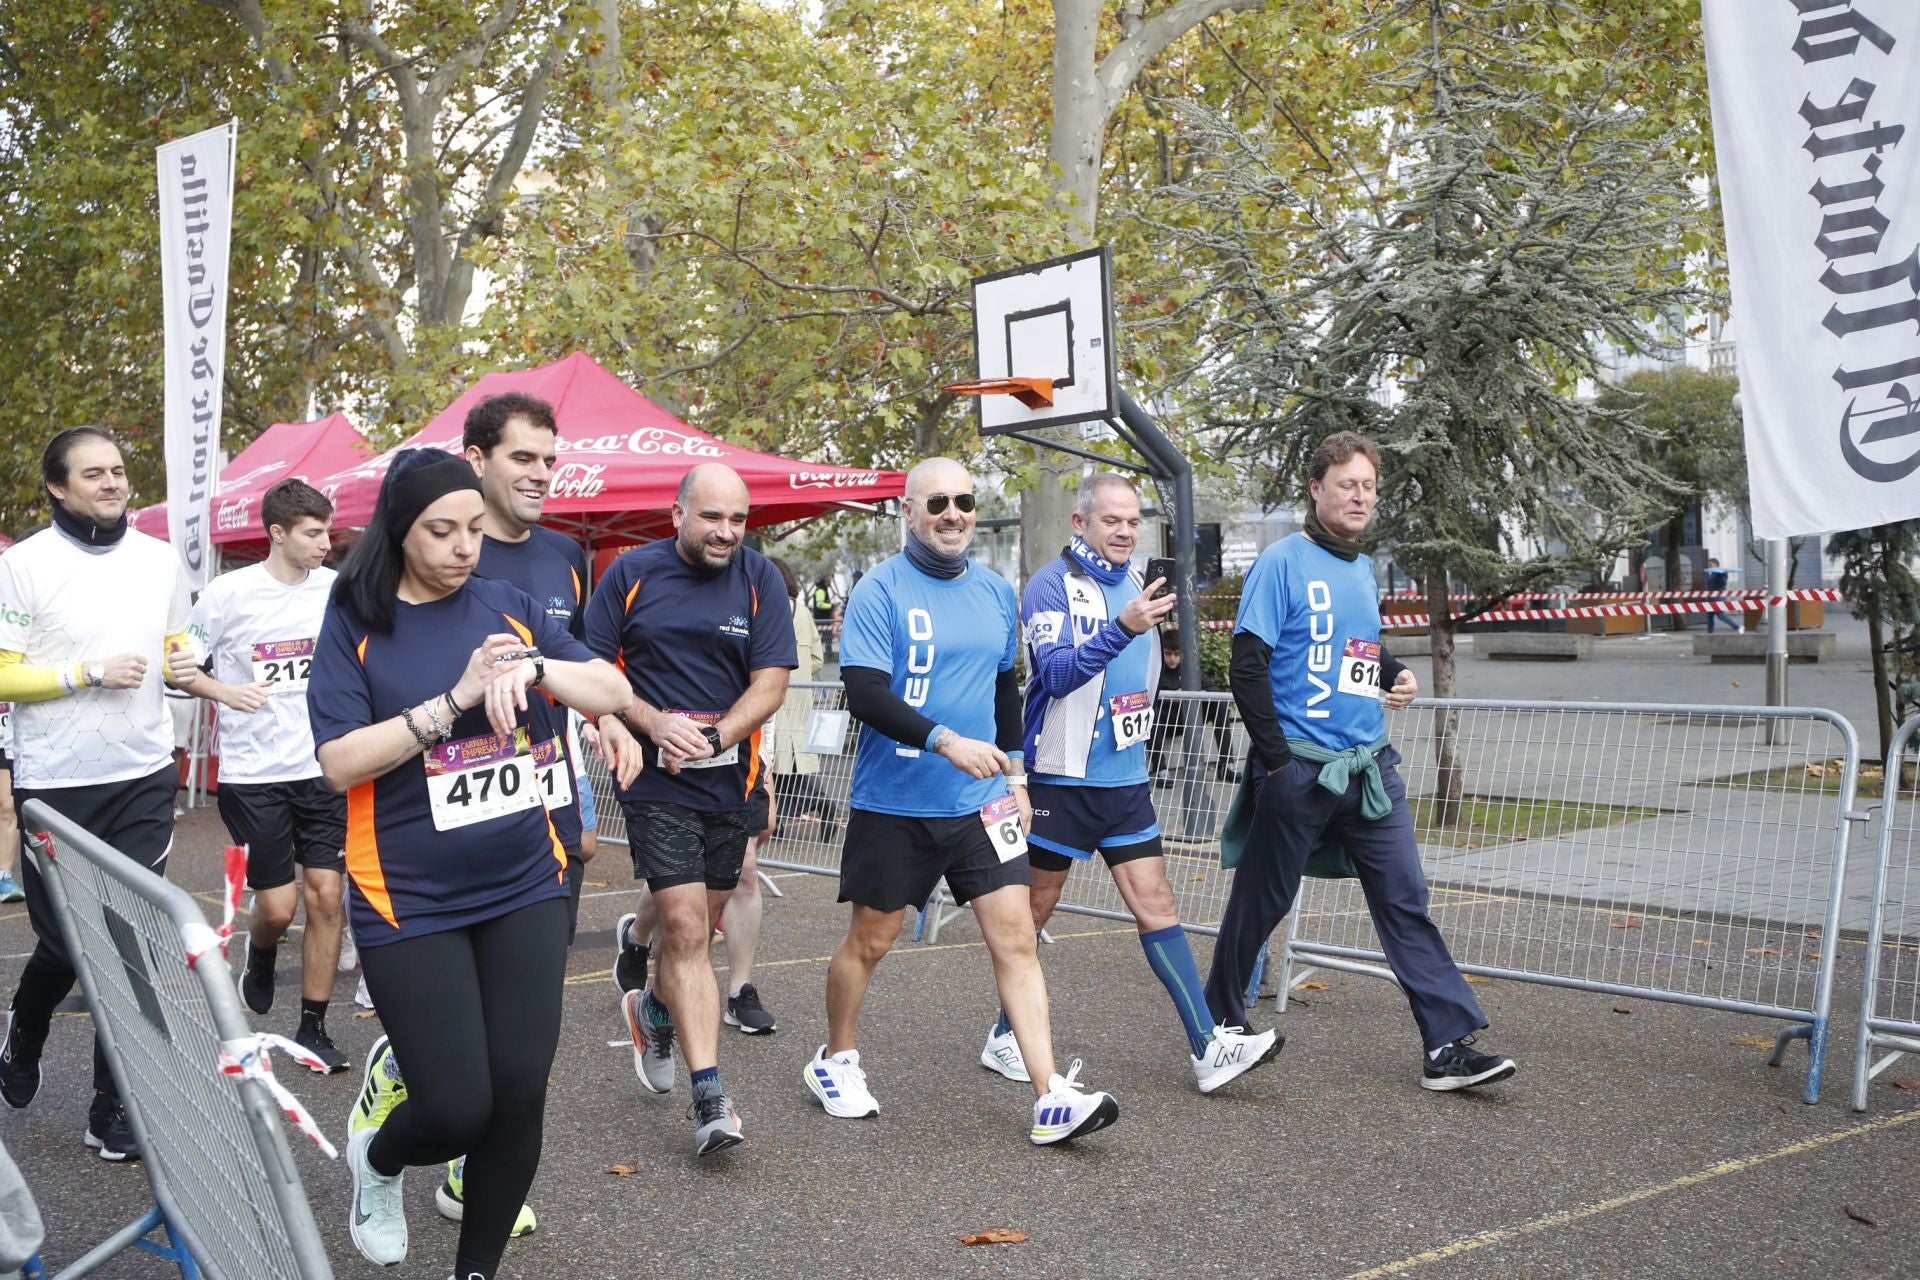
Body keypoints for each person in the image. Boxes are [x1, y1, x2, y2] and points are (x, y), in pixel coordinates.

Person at [309, 448, 628, 1276]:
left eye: (474, 530)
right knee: (455, 1109)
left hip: (524, 877)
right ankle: (378, 1161)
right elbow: (340, 762)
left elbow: (609, 691)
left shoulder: (507, 604)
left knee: (519, 1092)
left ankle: (475, 1270)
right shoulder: (355, 618)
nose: (463, 548)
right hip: (407, 892)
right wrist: (451, 702)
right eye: (440, 532)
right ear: (398, 532)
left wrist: (534, 666)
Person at [803, 457, 1119, 1146]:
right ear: (908, 512)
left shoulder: (994, 591)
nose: (953, 514)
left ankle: (1050, 1097)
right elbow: (863, 692)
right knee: (872, 940)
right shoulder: (880, 590)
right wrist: (945, 741)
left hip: (982, 804)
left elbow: (1006, 690)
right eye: (938, 502)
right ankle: (835, 1058)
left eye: (965, 501)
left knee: (1016, 939)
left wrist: (1016, 776)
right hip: (896, 801)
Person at [1206, 431, 1516, 1092]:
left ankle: (1447, 1046)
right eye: (1347, 484)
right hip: (1300, 770)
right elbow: (1247, 664)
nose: (1360, 496)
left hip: (1369, 767)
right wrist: (1276, 764)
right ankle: (1219, 1028)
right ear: (1315, 489)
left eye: (1368, 486)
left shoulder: (1360, 568)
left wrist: (1395, 672)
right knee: (1260, 906)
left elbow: (1356, 653)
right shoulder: (1282, 562)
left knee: (1406, 899)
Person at [993, 472, 1279, 1095]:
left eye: (1131, 522)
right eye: (1110, 520)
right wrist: (1122, 626)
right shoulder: (1049, 588)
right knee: (1033, 913)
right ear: (1081, 523)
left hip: (1125, 780)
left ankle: (1208, 1049)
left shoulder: (1135, 583)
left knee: (1157, 905)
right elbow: (1058, 674)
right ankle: (1003, 1034)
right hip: (1060, 781)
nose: (1123, 531)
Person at [586, 463, 795, 1156]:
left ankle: (653, 1009)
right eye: (712, 517)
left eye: (737, 519)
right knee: (680, 924)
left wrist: (715, 737)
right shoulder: (630, 574)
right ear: (677, 513)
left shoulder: (760, 579)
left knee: (697, 931)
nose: (727, 532)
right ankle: (711, 1099)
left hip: (728, 777)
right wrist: (651, 722)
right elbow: (590, 670)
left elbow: (770, 683)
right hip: (653, 777)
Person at [0, 427, 194, 1162]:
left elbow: (180, 644)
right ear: (57, 486)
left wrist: (196, 667)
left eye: (117, 471)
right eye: (94, 474)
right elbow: (1, 674)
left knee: (129, 940)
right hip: (56, 785)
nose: (113, 483)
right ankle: (23, 1034)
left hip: (142, 777)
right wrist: (85, 673)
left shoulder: (159, 558)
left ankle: (111, 1109)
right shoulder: (23, 565)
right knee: (68, 945)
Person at [166, 479, 350, 1073]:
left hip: (323, 766)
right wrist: (224, 691)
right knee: (276, 906)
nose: (326, 542)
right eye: (313, 532)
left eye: (328, 530)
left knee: (326, 896)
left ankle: (314, 1026)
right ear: (278, 533)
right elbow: (178, 668)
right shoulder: (228, 594)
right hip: (253, 773)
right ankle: (262, 950)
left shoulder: (336, 588)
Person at [771, 556, 832, 834]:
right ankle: (783, 818)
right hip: (802, 694)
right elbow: (817, 657)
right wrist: (803, 672)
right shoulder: (804, 612)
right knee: (792, 759)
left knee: (776, 758)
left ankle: (819, 805)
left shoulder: (766, 609)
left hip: (773, 690)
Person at [1704, 557, 1741, 634]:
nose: (1709, 566)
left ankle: (1738, 627)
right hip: (1711, 599)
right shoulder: (1711, 574)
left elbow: (1723, 583)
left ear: (1716, 564)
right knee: (1709, 617)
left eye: (1711, 564)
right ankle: (1710, 634)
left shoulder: (1720, 573)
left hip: (1718, 598)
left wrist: (1723, 574)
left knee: (1721, 615)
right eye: (1708, 564)